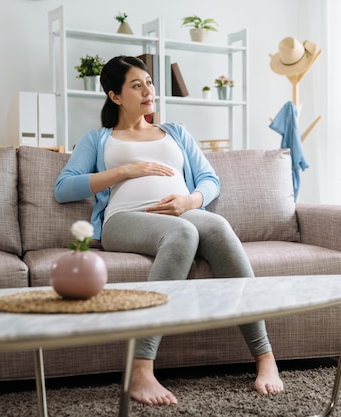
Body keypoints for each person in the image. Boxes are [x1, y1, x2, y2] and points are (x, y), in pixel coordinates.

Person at [54, 55, 283, 406]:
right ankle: (141, 369)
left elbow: (210, 179)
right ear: (115, 96)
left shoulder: (176, 132)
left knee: (217, 227)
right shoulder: (99, 138)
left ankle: (265, 357)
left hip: (180, 213)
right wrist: (124, 172)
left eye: (149, 82)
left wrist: (189, 202)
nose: (148, 89)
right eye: (136, 85)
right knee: (182, 235)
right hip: (124, 219)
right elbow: (64, 188)